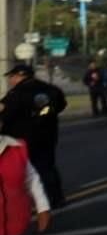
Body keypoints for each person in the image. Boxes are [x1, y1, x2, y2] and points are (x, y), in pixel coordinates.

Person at [0, 65, 67, 208]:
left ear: (20, 76)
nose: (11, 80)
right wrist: (42, 114)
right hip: (48, 135)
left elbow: (5, 114)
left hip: (23, 138)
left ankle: (31, 202)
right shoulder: (51, 89)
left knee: (26, 172)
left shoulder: (16, 94)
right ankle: (56, 198)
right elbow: (61, 105)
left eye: (12, 77)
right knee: (48, 166)